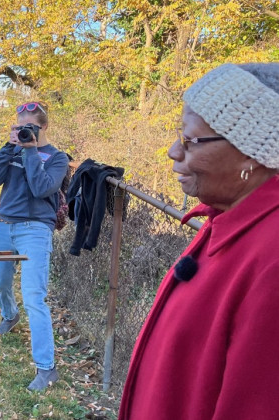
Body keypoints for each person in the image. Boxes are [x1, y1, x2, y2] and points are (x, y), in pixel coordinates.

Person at [119, 63, 279, 419]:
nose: (174, 152)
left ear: (251, 154)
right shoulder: (226, 222)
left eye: (190, 141)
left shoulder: (271, 260)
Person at [0, 101, 69, 391]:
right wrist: (8, 148)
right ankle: (10, 315)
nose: (24, 132)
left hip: (35, 229)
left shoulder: (57, 158)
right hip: (4, 225)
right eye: (20, 127)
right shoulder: (13, 148)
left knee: (34, 296)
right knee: (0, 281)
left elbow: (42, 188)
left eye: (30, 127)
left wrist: (31, 150)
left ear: (43, 127)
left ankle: (47, 369)